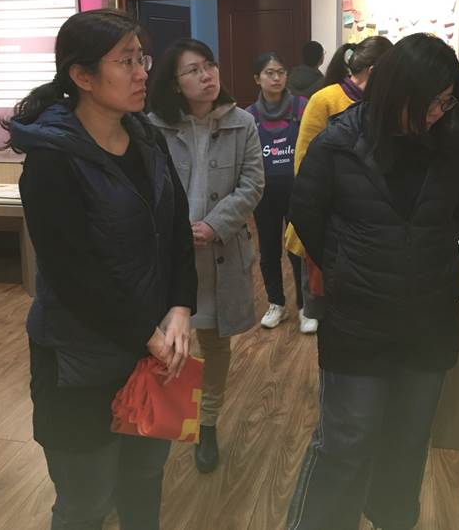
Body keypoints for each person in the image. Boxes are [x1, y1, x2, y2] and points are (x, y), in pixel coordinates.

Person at [1, 9, 198, 530]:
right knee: (85, 501)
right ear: (82, 76)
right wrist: (146, 335)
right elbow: (72, 273)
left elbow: (176, 228)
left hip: (153, 350)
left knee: (144, 484)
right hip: (78, 360)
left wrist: (180, 307)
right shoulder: (51, 160)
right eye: (125, 61)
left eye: (142, 59)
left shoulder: (147, 138)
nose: (141, 73)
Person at [286, 33, 459, 530]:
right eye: (429, 102)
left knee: (408, 442)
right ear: (396, 90)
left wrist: (415, 250)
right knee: (345, 441)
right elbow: (307, 214)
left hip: (428, 320)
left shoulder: (451, 143)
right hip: (358, 322)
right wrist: (350, 264)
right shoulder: (338, 143)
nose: (436, 114)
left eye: (446, 102)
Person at [147, 39, 264, 474]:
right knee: (165, 343)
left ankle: (207, 423)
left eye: (209, 65)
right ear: (174, 83)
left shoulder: (241, 122)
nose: (206, 75)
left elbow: (252, 184)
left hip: (220, 252)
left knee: (214, 345)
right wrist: (173, 230)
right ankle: (160, 419)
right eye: (193, 70)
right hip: (167, 254)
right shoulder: (152, 126)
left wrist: (215, 224)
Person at [285, 36, 393, 318]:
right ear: (374, 71)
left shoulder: (383, 104)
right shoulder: (325, 99)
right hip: (328, 224)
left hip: (370, 229)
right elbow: (304, 165)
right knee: (329, 310)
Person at [246, 52, 313, 332]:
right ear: (257, 78)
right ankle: (276, 303)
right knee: (269, 250)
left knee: (299, 249)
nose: (276, 78)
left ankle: (305, 307)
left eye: (281, 72)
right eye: (269, 73)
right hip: (264, 194)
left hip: (298, 192)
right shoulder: (248, 116)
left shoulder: (302, 107)